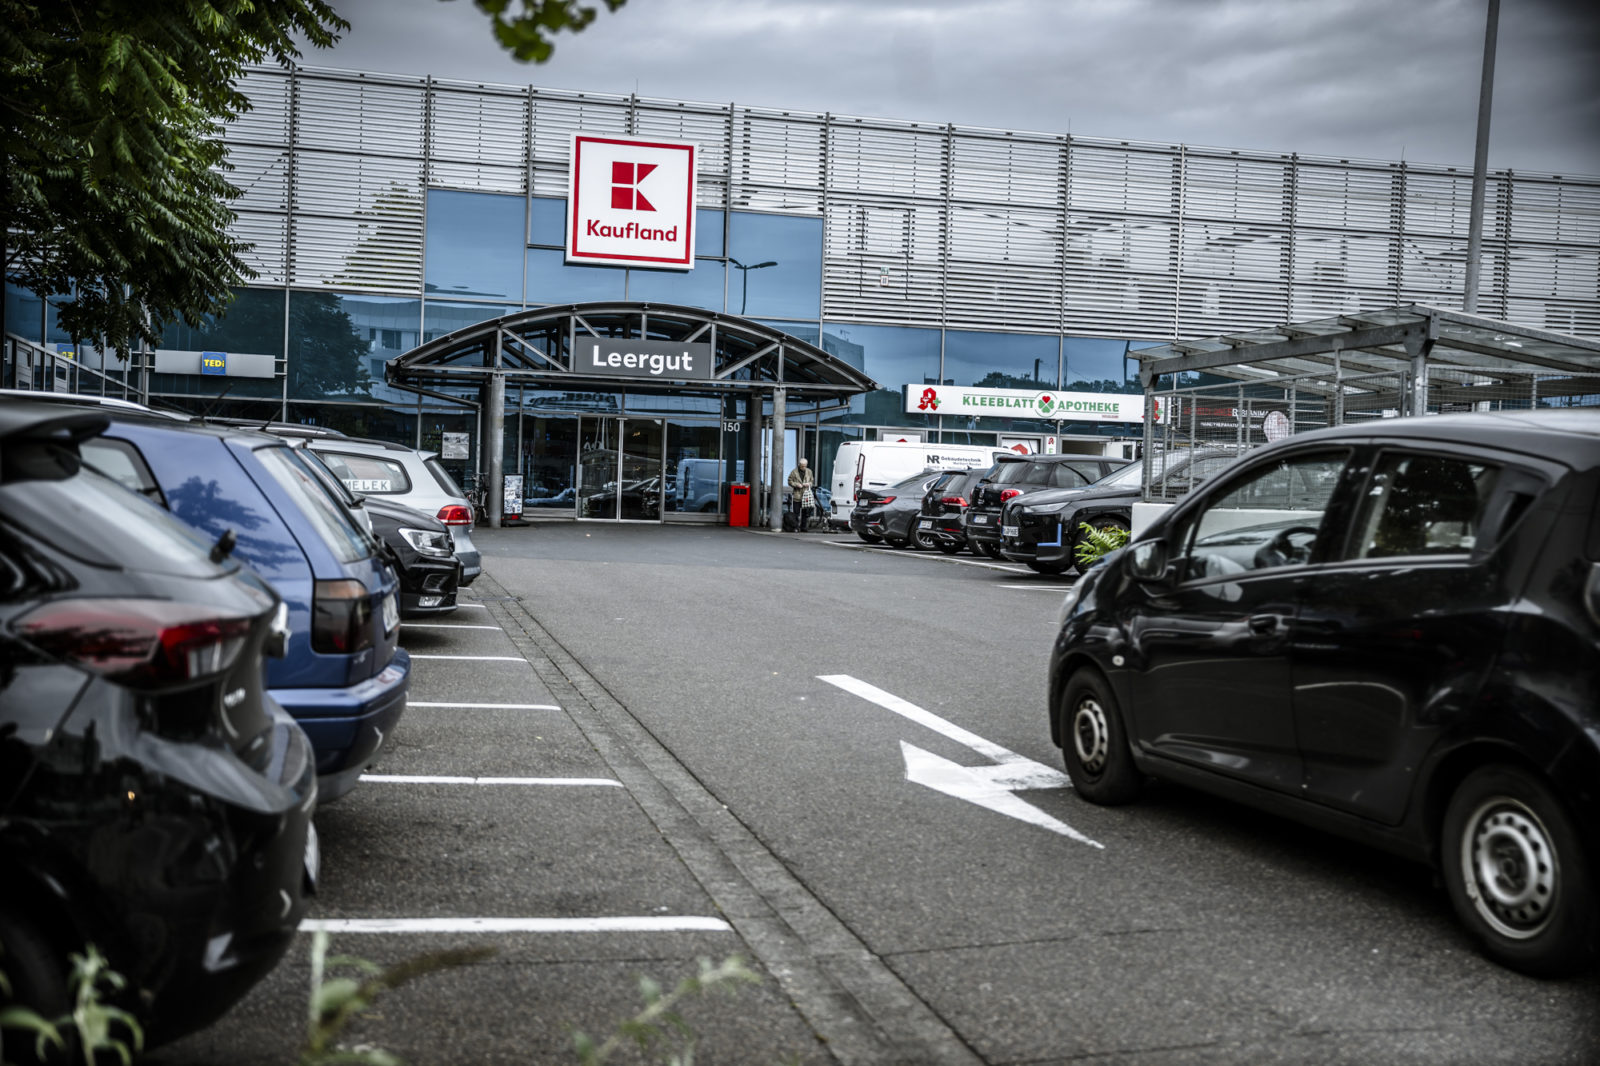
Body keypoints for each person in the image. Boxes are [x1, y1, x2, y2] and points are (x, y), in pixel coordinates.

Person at [787, 458, 816, 530]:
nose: (803, 467)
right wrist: (796, 484)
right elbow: (789, 481)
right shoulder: (794, 472)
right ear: (799, 465)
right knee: (796, 513)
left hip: (806, 495)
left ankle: (803, 527)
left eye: (805, 466)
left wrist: (808, 484)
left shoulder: (809, 471)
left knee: (805, 513)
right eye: (802, 466)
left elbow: (812, 481)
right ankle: (796, 527)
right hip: (797, 495)